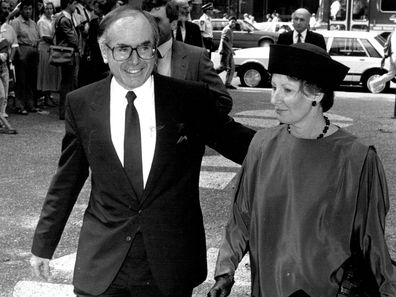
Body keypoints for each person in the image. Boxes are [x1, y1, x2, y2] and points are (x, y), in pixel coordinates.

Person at [30, 6, 255, 297]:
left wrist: (298, 141)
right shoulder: (82, 103)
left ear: (155, 49)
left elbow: (240, 144)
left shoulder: (188, 99)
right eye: (123, 49)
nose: (135, 60)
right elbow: (67, 180)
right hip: (103, 264)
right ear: (104, 51)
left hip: (168, 264)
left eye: (144, 47)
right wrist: (43, 245)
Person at [207, 43, 396, 297]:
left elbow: (372, 239)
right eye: (274, 87)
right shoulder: (262, 145)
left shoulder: (357, 158)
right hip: (266, 287)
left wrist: (388, 289)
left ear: (315, 94)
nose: (274, 98)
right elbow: (241, 218)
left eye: (286, 90)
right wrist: (225, 272)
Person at [142, 0, 232, 113]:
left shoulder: (196, 57)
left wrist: (189, 122)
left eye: (156, 20)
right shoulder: (131, 54)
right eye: (146, 21)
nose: (149, 26)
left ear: (173, 24)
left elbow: (223, 101)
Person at [10, 0, 40, 115]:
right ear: (21, 10)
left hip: (33, 51)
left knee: (31, 80)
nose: (28, 11)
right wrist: (19, 55)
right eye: (26, 9)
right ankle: (19, 105)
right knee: (21, 80)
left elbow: (38, 38)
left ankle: (30, 104)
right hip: (22, 51)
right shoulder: (16, 22)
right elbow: (13, 39)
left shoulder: (33, 23)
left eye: (30, 9)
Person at [54, 0, 79, 120]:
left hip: (67, 52)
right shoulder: (64, 19)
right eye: (74, 3)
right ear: (69, 3)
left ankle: (67, 110)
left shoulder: (65, 17)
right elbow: (73, 38)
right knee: (67, 82)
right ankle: (64, 112)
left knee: (68, 81)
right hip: (67, 53)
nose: (75, 6)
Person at [36, 1, 60, 107]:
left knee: (51, 72)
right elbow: (45, 37)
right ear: (43, 9)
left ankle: (49, 95)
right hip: (45, 48)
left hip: (52, 47)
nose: (49, 10)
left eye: (51, 8)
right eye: (47, 9)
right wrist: (58, 41)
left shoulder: (54, 19)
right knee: (46, 72)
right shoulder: (42, 21)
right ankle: (45, 97)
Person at [0, 6, 17, 118]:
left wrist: (10, 59)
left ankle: (2, 111)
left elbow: (4, 55)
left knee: (5, 91)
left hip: (4, 65)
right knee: (1, 92)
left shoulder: (8, 31)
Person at [215, 15, 236, 89]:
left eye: (234, 22)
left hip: (228, 51)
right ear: (228, 22)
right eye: (232, 21)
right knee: (223, 67)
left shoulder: (230, 30)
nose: (233, 23)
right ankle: (210, 75)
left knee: (232, 67)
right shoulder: (227, 29)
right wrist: (231, 49)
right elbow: (224, 41)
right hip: (225, 51)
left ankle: (227, 83)